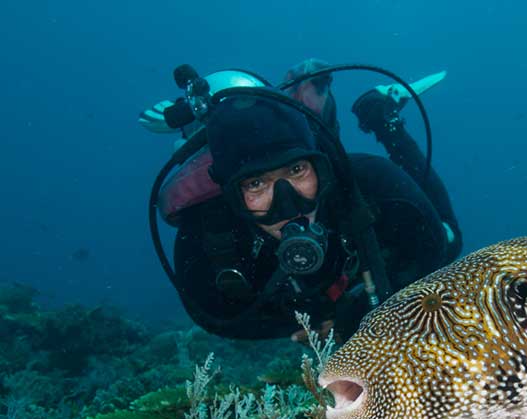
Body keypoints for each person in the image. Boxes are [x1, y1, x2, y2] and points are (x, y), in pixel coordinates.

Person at [158, 62, 462, 342]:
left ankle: (381, 116)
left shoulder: (375, 183)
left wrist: (367, 313)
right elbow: (218, 319)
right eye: (255, 184)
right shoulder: (205, 238)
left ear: (321, 168)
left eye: (296, 170)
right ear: (231, 197)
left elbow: (432, 251)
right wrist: (311, 322)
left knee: (450, 238)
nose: (287, 204)